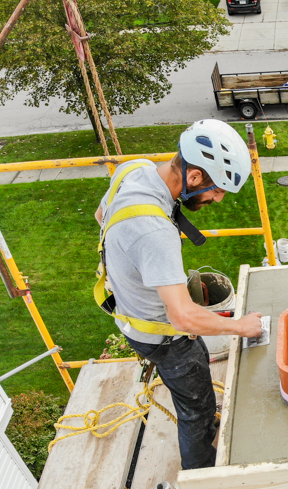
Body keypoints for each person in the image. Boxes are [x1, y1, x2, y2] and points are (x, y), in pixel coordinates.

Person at [94, 119, 262, 470]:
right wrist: (242, 327)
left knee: (197, 360)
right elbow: (183, 318)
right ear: (195, 176)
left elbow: (101, 214)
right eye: (217, 190)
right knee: (196, 408)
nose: (217, 199)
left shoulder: (134, 170)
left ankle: (205, 424)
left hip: (141, 314)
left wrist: (133, 258)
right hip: (160, 336)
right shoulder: (154, 233)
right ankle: (202, 472)